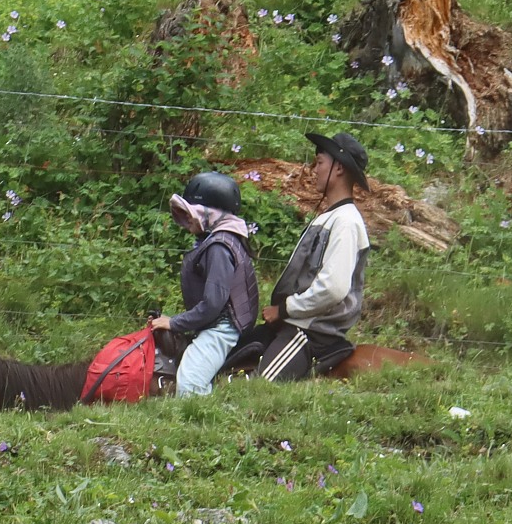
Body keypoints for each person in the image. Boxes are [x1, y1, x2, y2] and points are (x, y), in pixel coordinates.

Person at [248, 131, 375, 380]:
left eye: (319, 163)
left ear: (338, 168)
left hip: (311, 330)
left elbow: (333, 288)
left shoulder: (346, 223)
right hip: (297, 322)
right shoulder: (331, 217)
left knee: (261, 383)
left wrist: (284, 310)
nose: (314, 170)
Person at [150, 170, 256, 397]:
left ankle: (203, 424)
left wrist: (175, 323)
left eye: (191, 213)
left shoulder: (218, 248)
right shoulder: (222, 240)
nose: (187, 219)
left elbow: (212, 304)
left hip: (221, 329)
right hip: (214, 324)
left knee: (190, 384)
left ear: (211, 214)